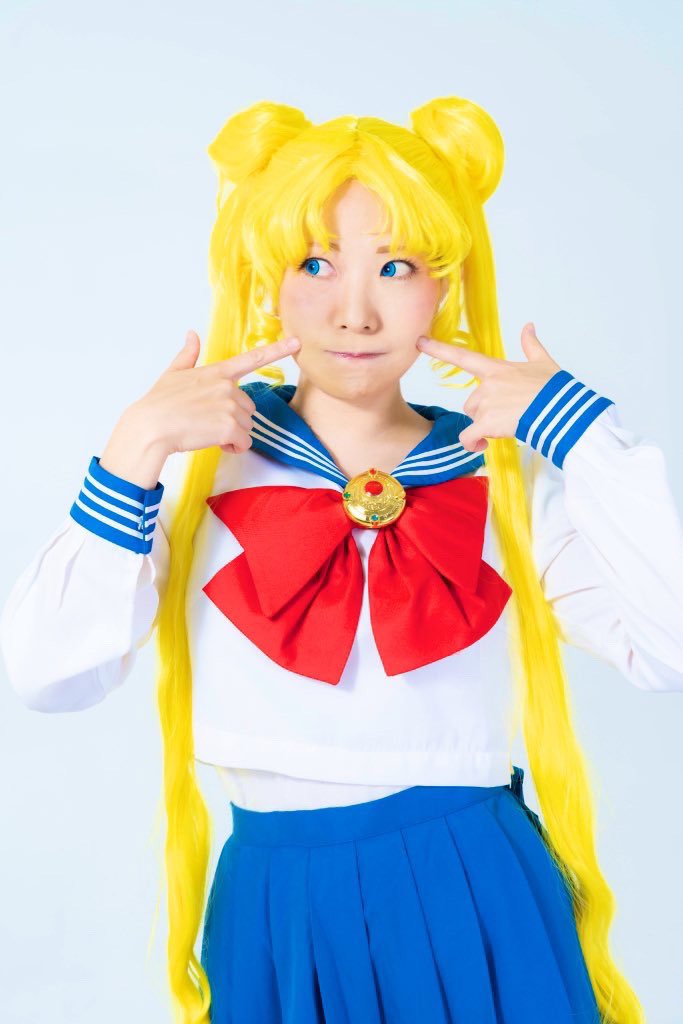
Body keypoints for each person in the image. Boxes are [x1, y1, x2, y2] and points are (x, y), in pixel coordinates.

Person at [2, 96, 682, 1024]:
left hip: (472, 888)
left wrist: (586, 435)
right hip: (274, 905)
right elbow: (46, 677)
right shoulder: (195, 471)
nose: (354, 312)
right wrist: (131, 453)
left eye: (394, 266)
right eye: (314, 263)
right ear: (264, 277)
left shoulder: (508, 478)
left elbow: (668, 646)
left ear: (445, 284)